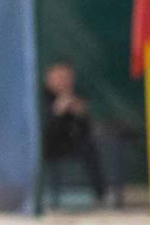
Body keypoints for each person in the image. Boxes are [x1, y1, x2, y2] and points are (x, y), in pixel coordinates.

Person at [42, 60, 107, 207]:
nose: (64, 82)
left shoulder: (74, 95)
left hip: (67, 144)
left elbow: (84, 130)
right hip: (45, 145)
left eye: (67, 78)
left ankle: (101, 195)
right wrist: (57, 112)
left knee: (89, 147)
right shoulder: (40, 97)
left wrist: (80, 114)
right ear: (50, 78)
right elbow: (45, 129)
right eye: (60, 78)